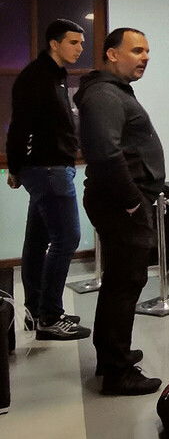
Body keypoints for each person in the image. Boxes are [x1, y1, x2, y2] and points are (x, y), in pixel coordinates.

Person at [75, 28, 164, 395]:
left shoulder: (113, 91)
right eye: (137, 50)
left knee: (120, 282)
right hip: (121, 203)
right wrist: (132, 201)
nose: (145, 57)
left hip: (121, 201)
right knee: (125, 284)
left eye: (147, 51)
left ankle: (112, 355)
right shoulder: (103, 94)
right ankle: (117, 372)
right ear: (112, 54)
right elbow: (106, 153)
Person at [5, 19, 90, 340]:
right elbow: (19, 126)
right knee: (67, 239)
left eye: (81, 43)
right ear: (54, 43)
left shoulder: (56, 76)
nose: (80, 48)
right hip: (48, 169)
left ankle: (36, 311)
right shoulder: (36, 77)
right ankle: (50, 317)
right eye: (73, 42)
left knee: (38, 240)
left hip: (52, 167)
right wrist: (15, 167)